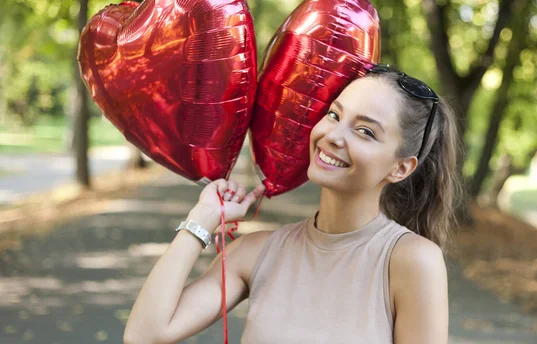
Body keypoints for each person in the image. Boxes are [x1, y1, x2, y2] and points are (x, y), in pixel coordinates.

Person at [124, 64, 464, 344]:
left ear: (400, 167)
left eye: (365, 132)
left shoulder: (410, 261)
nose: (333, 135)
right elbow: (145, 334)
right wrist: (203, 218)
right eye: (334, 115)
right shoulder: (256, 253)